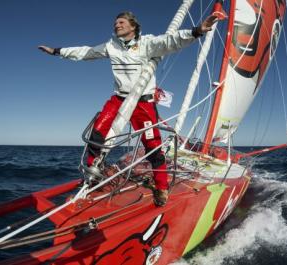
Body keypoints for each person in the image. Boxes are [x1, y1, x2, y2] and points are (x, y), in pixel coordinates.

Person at [39, 11, 217, 206]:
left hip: (143, 104)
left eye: (121, 22)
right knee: (97, 133)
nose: (117, 25)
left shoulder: (147, 43)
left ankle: (161, 187)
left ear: (133, 26)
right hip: (118, 100)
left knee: (153, 148)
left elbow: (171, 41)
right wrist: (57, 51)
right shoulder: (111, 46)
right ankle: (93, 176)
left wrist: (197, 30)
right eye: (115, 23)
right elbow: (86, 52)